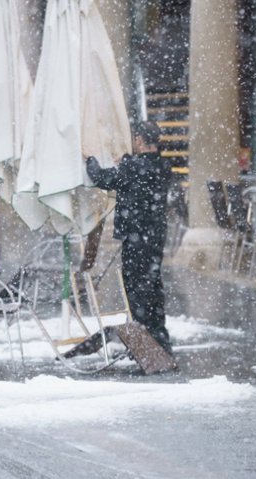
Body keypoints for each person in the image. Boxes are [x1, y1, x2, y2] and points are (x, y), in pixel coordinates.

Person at [85, 121, 173, 354]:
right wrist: (126, 161)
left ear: (140, 141)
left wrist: (90, 160)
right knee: (153, 289)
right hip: (154, 236)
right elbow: (140, 172)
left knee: (137, 293)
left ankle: (146, 350)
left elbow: (101, 178)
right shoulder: (163, 165)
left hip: (136, 238)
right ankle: (160, 344)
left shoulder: (133, 167)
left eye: (135, 138)